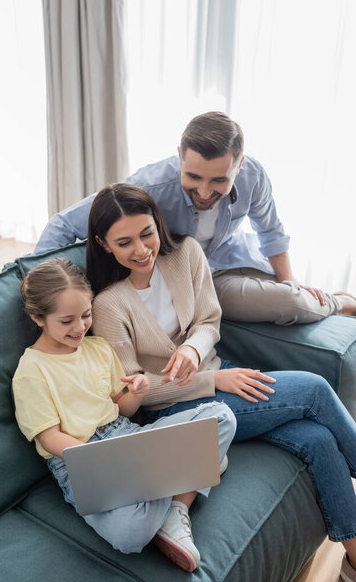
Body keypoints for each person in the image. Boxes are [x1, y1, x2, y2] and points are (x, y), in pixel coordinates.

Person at [87, 183, 356, 580]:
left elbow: (209, 321)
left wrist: (194, 353)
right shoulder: (108, 304)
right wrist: (212, 380)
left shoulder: (186, 255)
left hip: (217, 371)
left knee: (316, 439)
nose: (141, 249)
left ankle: (353, 561)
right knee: (314, 389)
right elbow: (136, 391)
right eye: (124, 242)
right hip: (177, 407)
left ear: (157, 223)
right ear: (104, 244)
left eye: (147, 233)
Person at [12, 257, 236, 573]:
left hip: (126, 436)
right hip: (79, 461)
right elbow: (49, 438)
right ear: (38, 317)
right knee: (131, 537)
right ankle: (194, 469)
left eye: (86, 315)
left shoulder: (100, 348)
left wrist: (138, 393)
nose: (79, 328)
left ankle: (177, 501)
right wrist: (103, 458)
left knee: (222, 416)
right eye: (67, 321)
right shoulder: (31, 372)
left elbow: (122, 409)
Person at [35, 110, 356, 324]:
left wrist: (290, 280)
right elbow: (62, 224)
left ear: (239, 165)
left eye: (218, 180)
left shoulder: (253, 176)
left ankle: (324, 296)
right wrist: (38, 286)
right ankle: (342, 304)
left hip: (231, 256)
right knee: (291, 304)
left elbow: (271, 232)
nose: (204, 192)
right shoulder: (150, 185)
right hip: (193, 280)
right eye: (193, 178)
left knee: (290, 291)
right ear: (179, 157)